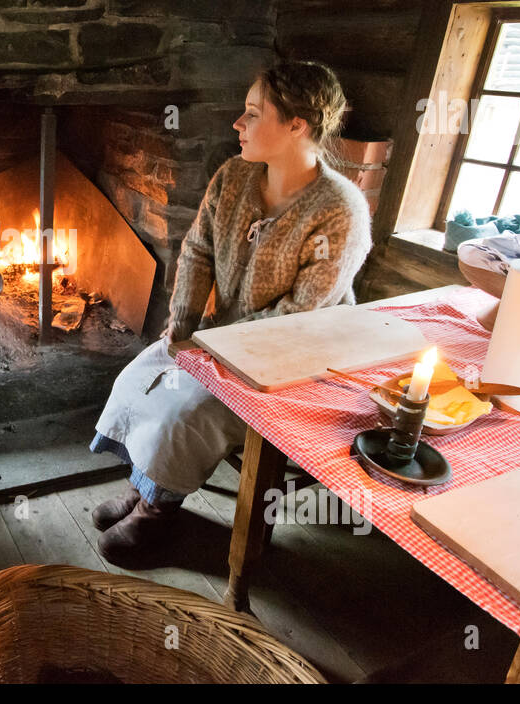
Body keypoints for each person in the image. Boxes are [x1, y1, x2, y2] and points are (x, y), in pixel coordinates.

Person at [89, 60, 372, 564]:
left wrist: (210, 350)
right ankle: (146, 487)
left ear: (296, 126)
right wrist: (183, 327)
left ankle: (156, 512)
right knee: (141, 374)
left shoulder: (340, 209)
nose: (236, 125)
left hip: (293, 360)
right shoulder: (234, 176)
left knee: (185, 411)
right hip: (221, 333)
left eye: (251, 113)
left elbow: (301, 314)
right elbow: (197, 250)